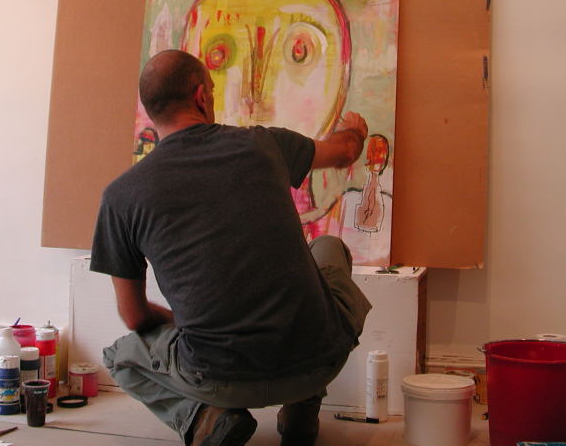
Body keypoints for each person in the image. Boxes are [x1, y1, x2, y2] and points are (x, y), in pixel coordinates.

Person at [91, 49, 372, 446]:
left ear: (151, 110)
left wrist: (192, 323)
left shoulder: (120, 197)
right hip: (317, 361)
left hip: (218, 376)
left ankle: (207, 419)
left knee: (120, 356)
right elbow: (344, 152)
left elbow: (134, 316)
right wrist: (355, 130)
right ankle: (301, 412)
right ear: (201, 96)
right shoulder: (264, 145)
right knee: (328, 247)